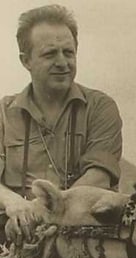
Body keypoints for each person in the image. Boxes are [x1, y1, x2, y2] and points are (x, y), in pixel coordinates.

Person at [0, 4, 122, 244]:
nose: (62, 62)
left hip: (84, 234)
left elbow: (99, 177)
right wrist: (11, 202)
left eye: (68, 52)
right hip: (13, 234)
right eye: (49, 54)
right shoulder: (3, 113)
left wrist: (40, 210)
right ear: (26, 61)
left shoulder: (100, 108)